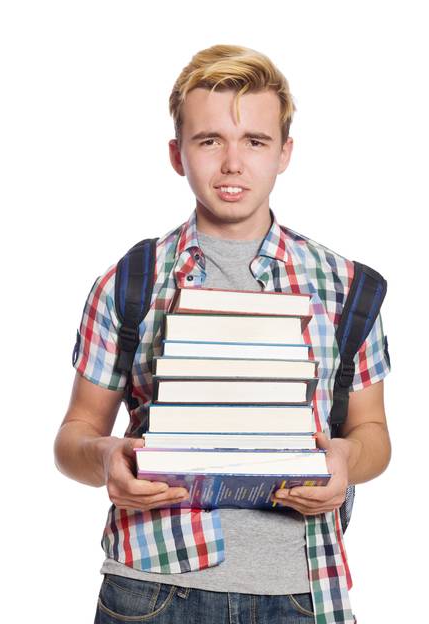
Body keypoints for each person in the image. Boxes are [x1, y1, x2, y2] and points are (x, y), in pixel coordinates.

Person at [53, 45, 391, 624]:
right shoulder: (129, 281)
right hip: (153, 588)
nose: (232, 163)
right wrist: (106, 456)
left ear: (284, 153)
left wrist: (346, 458)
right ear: (176, 154)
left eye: (254, 142)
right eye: (210, 141)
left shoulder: (345, 287)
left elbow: (373, 434)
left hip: (302, 590)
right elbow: (75, 435)